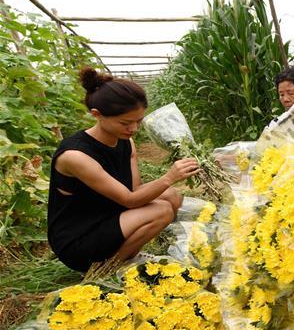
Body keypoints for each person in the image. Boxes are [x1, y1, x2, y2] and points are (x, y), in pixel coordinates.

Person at [48, 68, 200, 272]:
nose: (134, 129)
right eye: (125, 123)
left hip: (108, 216)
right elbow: (129, 199)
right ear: (97, 115)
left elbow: (135, 189)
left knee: (170, 196)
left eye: (138, 121)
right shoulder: (76, 156)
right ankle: (107, 268)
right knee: (161, 210)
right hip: (79, 238)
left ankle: (185, 241)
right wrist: (169, 177)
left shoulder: (126, 142)